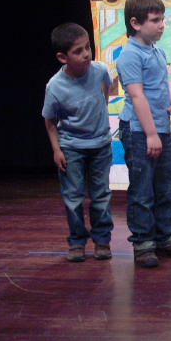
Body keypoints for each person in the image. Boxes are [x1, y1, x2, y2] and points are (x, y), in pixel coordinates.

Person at [117, 0, 171, 268]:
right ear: (136, 23)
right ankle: (143, 242)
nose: (162, 25)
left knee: (165, 186)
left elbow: (161, 84)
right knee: (142, 189)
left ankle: (165, 237)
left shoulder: (158, 51)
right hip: (140, 132)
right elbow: (137, 96)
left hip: (159, 129)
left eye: (162, 19)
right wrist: (150, 134)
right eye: (155, 20)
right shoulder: (130, 54)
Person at [43, 22, 114, 263]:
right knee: (73, 196)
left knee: (101, 194)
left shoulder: (99, 69)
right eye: (78, 51)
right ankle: (77, 241)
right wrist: (56, 150)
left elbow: (106, 88)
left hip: (101, 145)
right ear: (62, 57)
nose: (86, 54)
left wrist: (102, 113)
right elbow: (50, 120)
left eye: (87, 47)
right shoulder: (55, 86)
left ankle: (102, 239)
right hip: (72, 147)